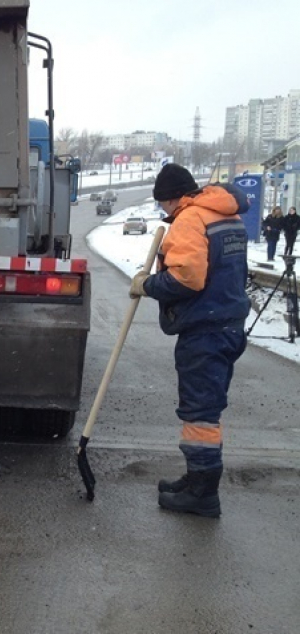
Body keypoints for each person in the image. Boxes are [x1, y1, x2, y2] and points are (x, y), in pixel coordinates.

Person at [130, 163, 249, 518]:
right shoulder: (226, 216)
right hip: (227, 323)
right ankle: (196, 478)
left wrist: (147, 284)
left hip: (205, 330)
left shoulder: (190, 219)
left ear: (172, 198)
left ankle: (203, 493)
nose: (164, 212)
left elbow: (187, 279)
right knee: (206, 408)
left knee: (200, 413)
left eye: (163, 205)